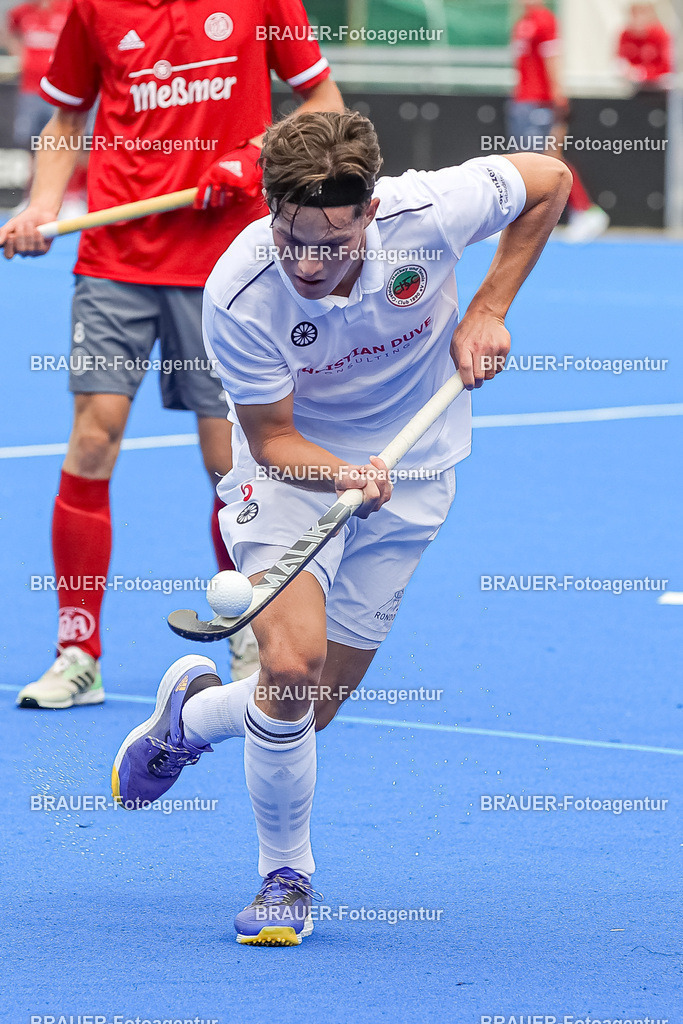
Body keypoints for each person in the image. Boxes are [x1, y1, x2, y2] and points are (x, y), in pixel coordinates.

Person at [111, 109, 572, 946]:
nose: (310, 261)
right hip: (294, 478)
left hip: (418, 474)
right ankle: (285, 877)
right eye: (293, 238)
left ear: (369, 210)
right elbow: (271, 438)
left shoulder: (428, 211)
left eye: (332, 239)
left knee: (307, 709)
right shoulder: (241, 289)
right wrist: (342, 473)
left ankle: (190, 719)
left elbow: (549, 181)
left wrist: (487, 307)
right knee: (290, 665)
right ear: (268, 208)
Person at [0, 0, 343, 709]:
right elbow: (66, 120)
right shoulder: (93, 8)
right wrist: (41, 205)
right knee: (93, 438)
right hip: (114, 261)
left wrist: (255, 158)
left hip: (225, 267)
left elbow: (321, 98)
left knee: (231, 462)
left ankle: (249, 630)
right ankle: (78, 652)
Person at [509, 0, 609, 243]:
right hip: (522, 100)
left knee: (550, 157)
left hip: (540, 102)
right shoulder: (522, 22)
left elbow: (552, 59)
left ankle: (585, 210)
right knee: (526, 159)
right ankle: (519, 221)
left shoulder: (545, 20)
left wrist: (557, 96)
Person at [4, 0, 86, 213]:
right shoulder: (21, 12)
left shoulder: (70, 8)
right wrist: (20, 53)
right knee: (34, 144)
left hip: (63, 90)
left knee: (68, 137)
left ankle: (72, 198)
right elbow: (8, 30)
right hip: (31, 90)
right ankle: (32, 199)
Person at [618, 3, 672, 91]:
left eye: (641, 14)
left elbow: (667, 67)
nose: (637, 19)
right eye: (634, 14)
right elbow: (620, 60)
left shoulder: (661, 35)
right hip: (632, 87)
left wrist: (642, 73)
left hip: (658, 88)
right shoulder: (625, 35)